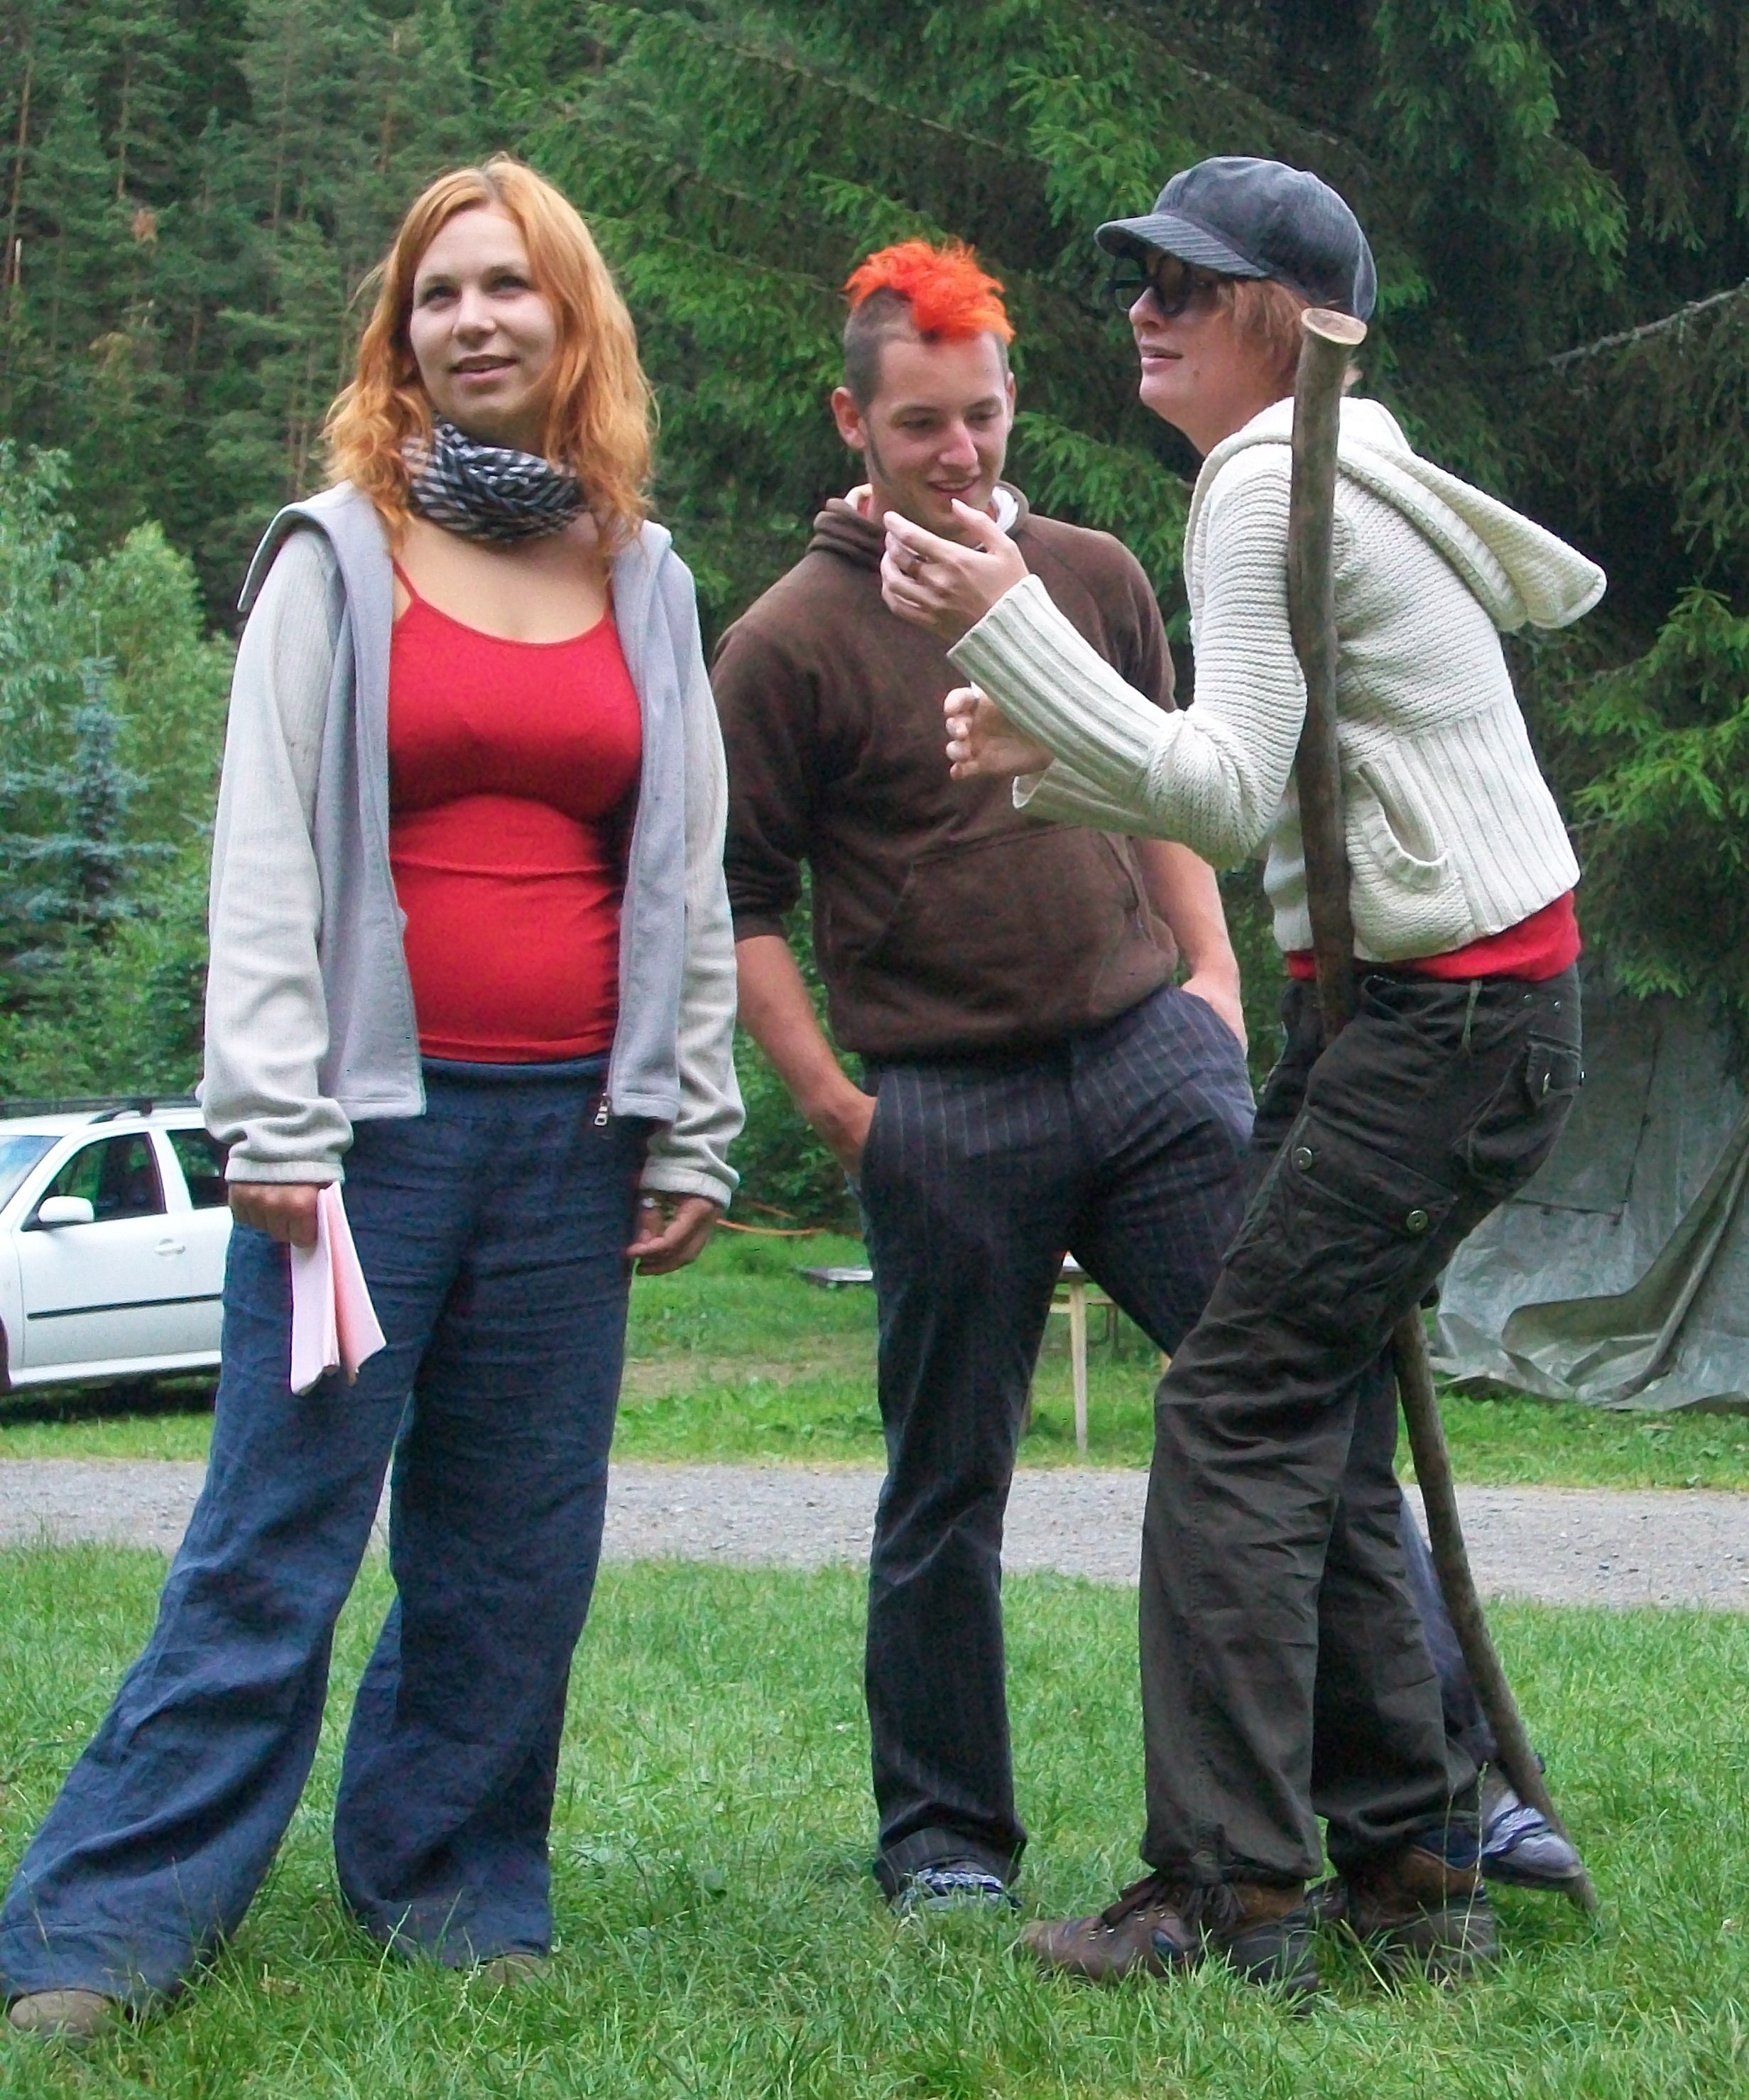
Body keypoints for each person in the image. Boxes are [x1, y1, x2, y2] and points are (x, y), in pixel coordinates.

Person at [1, 156, 741, 2040]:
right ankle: (102, 1928)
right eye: (439, 292)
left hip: (575, 1137)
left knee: (514, 1545)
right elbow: (265, 844)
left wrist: (689, 1113)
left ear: (573, 322)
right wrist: (270, 1113)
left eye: (510, 286)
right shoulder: (335, 553)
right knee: (275, 1536)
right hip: (360, 1144)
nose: (475, 319)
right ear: (399, 334)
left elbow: (685, 863)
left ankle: (454, 1880)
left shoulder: (645, 577)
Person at [881, 157, 1599, 1990]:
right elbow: (1246, 768)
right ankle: (1414, 1872)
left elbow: (1212, 792)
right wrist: (1045, 746)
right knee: (1312, 1414)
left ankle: (1227, 1884)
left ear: (1282, 321)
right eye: (1141, 276)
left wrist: (1003, 620)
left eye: (1186, 286)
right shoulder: (1324, 461)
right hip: (1450, 1016)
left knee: (1229, 1409)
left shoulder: (1266, 476)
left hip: (1441, 1021)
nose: (1144, 308)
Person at [713, 239, 1256, 1913]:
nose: (958, 453)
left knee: (1283, 1407)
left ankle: (1432, 1782)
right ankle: (945, 1837)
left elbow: (1168, 782)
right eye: (919, 424)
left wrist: (1214, 984)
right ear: (852, 424)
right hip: (942, 1106)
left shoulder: (1087, 574)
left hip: (1147, 1061)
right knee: (946, 1487)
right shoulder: (786, 643)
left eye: (982, 416)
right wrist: (839, 1109)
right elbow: (735, 906)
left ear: (1013, 403)